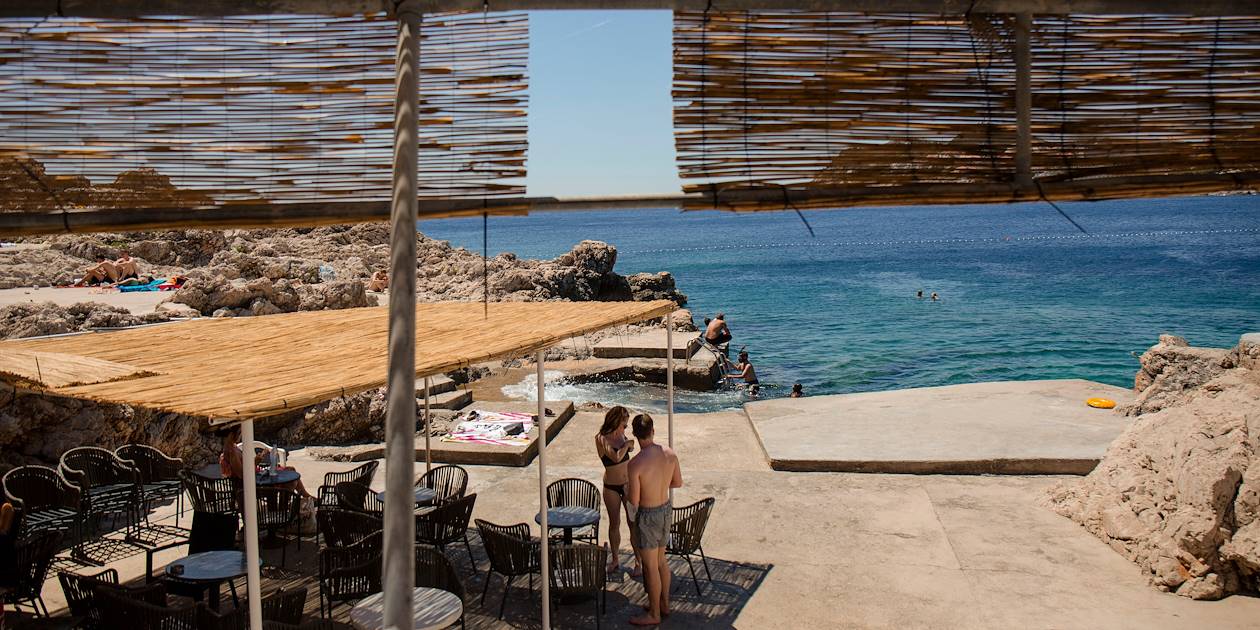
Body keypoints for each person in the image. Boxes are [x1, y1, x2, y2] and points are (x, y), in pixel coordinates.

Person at [626, 413, 682, 626]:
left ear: (635, 435)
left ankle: (654, 614)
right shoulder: (669, 453)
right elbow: (677, 483)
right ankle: (664, 604)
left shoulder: (635, 464)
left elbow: (635, 499)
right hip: (665, 510)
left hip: (648, 515)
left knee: (650, 567)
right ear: (653, 431)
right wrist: (659, 482)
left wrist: (628, 491)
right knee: (661, 561)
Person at [595, 406, 640, 575]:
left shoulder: (622, 436)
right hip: (611, 487)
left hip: (628, 485)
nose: (625, 428)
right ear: (615, 422)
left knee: (633, 523)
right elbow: (615, 457)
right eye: (624, 425)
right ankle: (615, 560)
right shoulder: (601, 438)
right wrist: (627, 444)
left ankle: (638, 561)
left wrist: (628, 442)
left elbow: (630, 449)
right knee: (615, 524)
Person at [219, 425, 313, 500]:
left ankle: (306, 496)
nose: (240, 435)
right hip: (253, 486)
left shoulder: (232, 447)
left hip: (256, 476)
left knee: (291, 470)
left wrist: (257, 460)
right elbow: (242, 475)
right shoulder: (231, 452)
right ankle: (282, 509)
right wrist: (255, 462)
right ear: (232, 434)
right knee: (289, 482)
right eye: (239, 433)